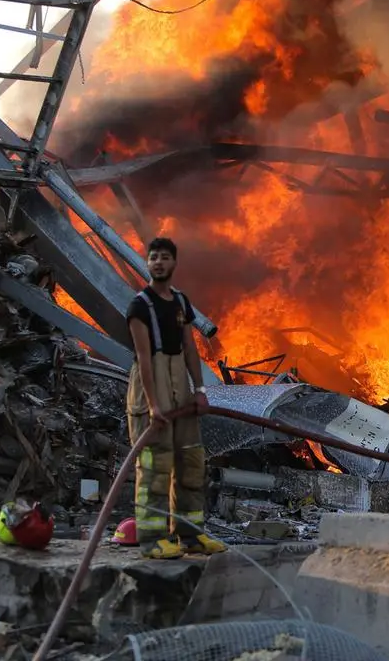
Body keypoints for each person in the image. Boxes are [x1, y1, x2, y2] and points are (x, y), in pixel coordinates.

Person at [126, 237, 226, 560]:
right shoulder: (139, 306)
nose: (158, 262)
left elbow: (190, 348)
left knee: (191, 461)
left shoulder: (181, 302)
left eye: (164, 257)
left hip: (179, 384)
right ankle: (152, 540)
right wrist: (154, 406)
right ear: (147, 263)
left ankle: (191, 535)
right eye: (153, 257)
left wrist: (200, 390)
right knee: (155, 466)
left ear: (174, 263)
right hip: (151, 383)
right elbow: (143, 358)